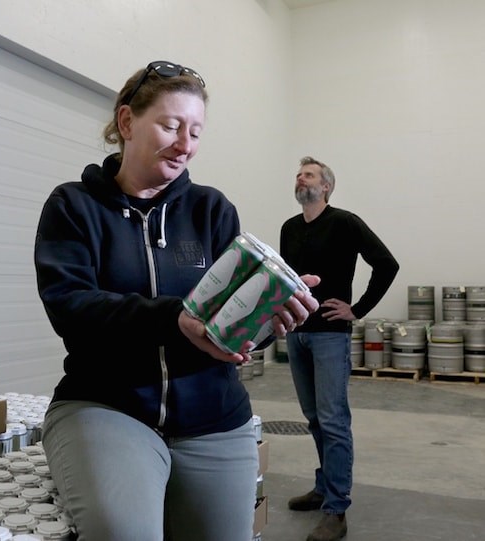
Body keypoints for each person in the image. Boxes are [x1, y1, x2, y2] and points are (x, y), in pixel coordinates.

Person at [34, 61, 320, 541]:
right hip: (109, 406)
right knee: (123, 533)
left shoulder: (211, 210)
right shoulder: (74, 206)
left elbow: (230, 323)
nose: (185, 144)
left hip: (214, 416)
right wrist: (174, 319)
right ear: (127, 123)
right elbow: (70, 307)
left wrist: (268, 318)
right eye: (170, 126)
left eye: (195, 131)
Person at [280, 156, 400, 541]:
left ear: (326, 186)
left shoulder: (345, 222)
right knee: (315, 418)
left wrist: (357, 310)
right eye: (299, 174)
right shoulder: (289, 227)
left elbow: (386, 264)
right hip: (297, 333)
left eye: (309, 174)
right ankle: (323, 486)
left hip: (331, 335)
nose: (302, 178)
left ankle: (337, 508)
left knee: (333, 420)